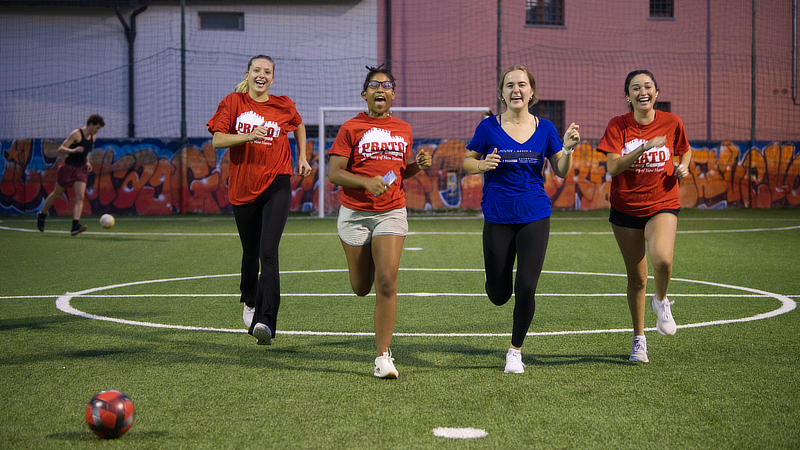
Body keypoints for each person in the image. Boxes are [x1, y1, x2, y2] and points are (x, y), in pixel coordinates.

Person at [463, 65, 580, 374]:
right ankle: (494, 282)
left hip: (535, 214)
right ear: (502, 93)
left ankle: (515, 351)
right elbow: (467, 160)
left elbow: (561, 170)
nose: (516, 89)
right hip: (498, 215)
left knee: (527, 286)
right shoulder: (488, 127)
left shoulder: (546, 128)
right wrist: (481, 165)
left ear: (532, 92)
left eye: (522, 84)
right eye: (510, 85)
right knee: (499, 295)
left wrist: (567, 149)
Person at [327, 64, 432, 379]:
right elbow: (334, 174)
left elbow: (397, 173)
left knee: (386, 281)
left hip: (391, 211)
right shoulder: (350, 129)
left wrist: (416, 165)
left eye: (387, 85)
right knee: (361, 287)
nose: (381, 89)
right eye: (374, 85)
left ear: (393, 95)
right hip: (355, 214)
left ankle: (382, 357)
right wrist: (365, 182)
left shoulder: (404, 129)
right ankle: (367, 257)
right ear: (365, 94)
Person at [207, 54, 311, 346]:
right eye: (257, 70)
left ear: (272, 78)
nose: (261, 75)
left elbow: (299, 124)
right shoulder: (233, 103)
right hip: (242, 187)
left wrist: (302, 156)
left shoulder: (283, 104)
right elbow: (217, 139)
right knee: (250, 252)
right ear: (248, 74)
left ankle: (265, 320)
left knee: (269, 251)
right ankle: (249, 298)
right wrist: (249, 136)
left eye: (267, 71)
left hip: (277, 183)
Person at [596, 69, 692, 363]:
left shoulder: (672, 122)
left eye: (648, 86)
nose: (643, 91)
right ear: (628, 96)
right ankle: (639, 339)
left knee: (662, 258)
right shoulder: (618, 126)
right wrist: (644, 147)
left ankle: (661, 300)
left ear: (656, 92)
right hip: (625, 208)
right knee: (637, 278)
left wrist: (683, 166)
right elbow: (612, 168)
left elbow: (685, 151)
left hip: (662, 202)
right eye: (636, 88)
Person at [37, 114, 105, 235]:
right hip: (68, 168)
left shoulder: (93, 138)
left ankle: (75, 225)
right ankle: (42, 214)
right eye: (97, 127)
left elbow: (86, 153)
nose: (98, 130)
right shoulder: (76, 134)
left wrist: (88, 162)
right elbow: (61, 149)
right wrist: (73, 150)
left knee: (80, 196)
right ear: (90, 124)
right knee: (56, 194)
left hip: (81, 170)